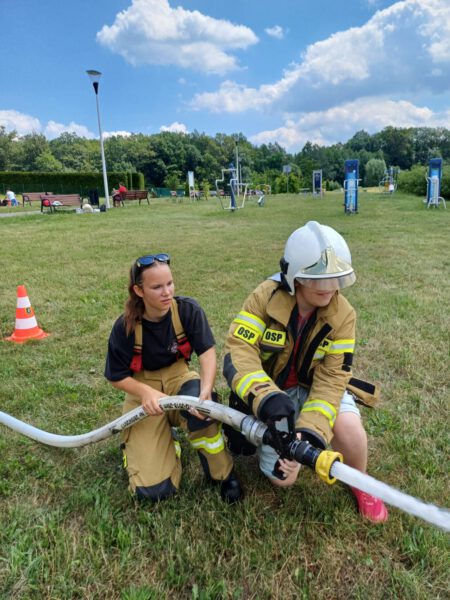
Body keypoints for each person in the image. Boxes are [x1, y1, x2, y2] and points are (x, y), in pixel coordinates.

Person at [222, 221, 388, 523]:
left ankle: (361, 482)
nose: (330, 287)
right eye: (318, 278)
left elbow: (332, 379)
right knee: (282, 479)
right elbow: (239, 350)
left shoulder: (343, 315)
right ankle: (267, 434)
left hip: (316, 388)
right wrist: (266, 397)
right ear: (294, 276)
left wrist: (310, 433)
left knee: (350, 430)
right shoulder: (265, 297)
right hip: (274, 393)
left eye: (336, 278)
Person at [105, 252, 242, 504]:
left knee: (204, 412)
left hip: (179, 376)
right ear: (139, 290)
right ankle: (163, 446)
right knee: (154, 492)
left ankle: (223, 474)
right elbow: (115, 376)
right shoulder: (125, 326)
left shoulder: (188, 310)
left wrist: (206, 391)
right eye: (157, 287)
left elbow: (207, 353)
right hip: (142, 389)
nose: (166, 292)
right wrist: (145, 392)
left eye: (169, 283)